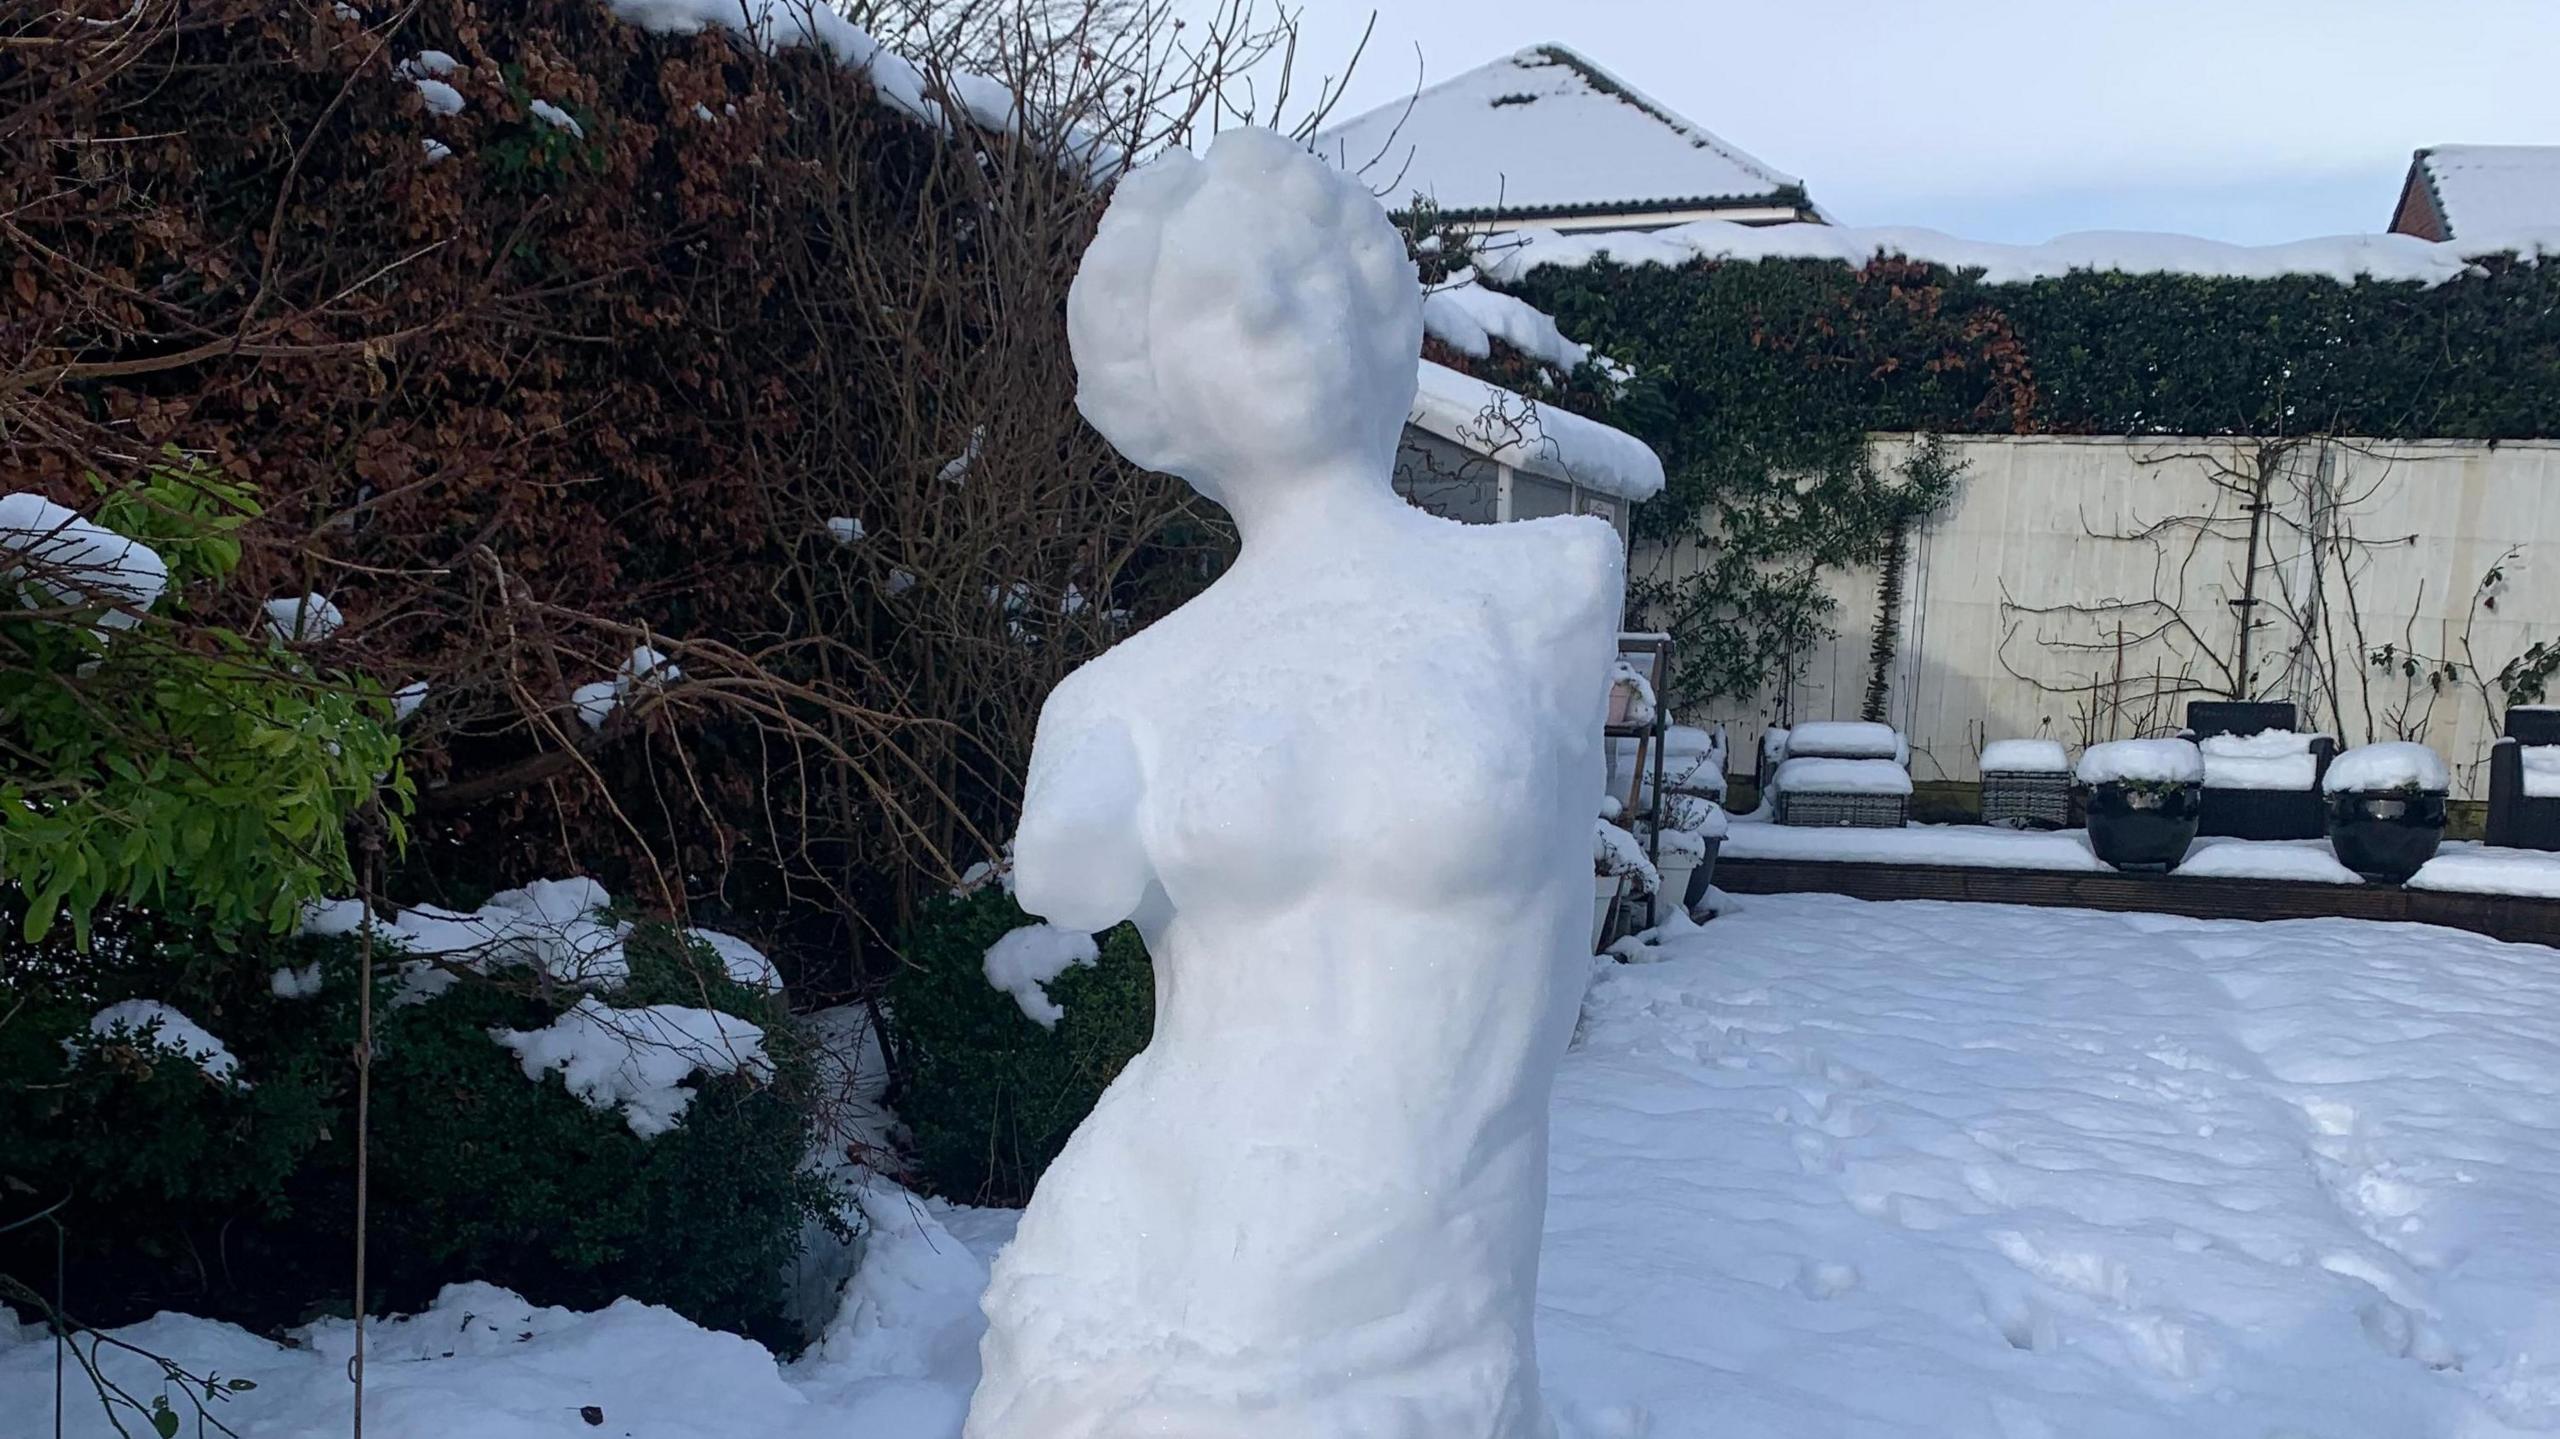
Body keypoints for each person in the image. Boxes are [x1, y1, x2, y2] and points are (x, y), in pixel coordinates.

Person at [964, 125, 1624, 1439]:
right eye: (1212, 300)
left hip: (1418, 1254)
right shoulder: (1117, 698)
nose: (1268, 312)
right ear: (1158, 386)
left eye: (1302, 271)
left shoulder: (1544, 588)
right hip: (1165, 1235)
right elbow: (1065, 885)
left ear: (1382, 310)